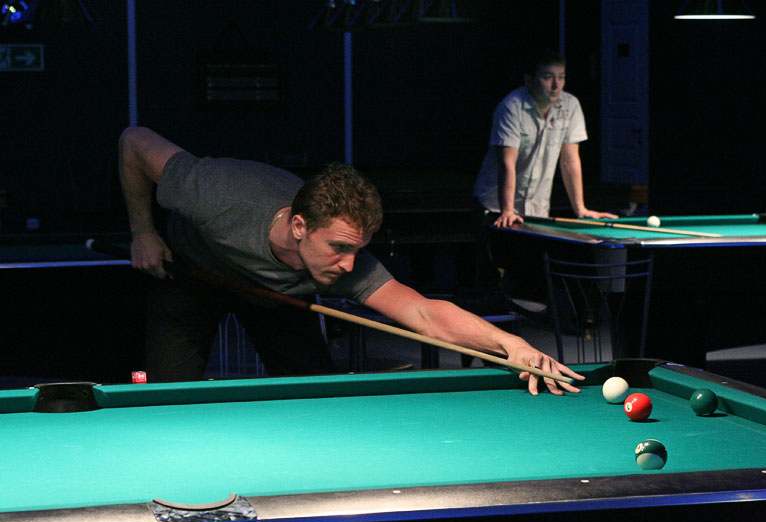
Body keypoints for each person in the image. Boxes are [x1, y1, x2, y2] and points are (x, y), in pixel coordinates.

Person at [119, 126, 584, 395]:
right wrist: (143, 232)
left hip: (279, 295)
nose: (347, 264)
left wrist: (510, 344)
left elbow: (424, 313)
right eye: (338, 248)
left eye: (356, 250)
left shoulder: (344, 260)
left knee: (315, 395)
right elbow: (134, 141)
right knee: (166, 395)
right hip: (190, 274)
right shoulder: (218, 194)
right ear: (299, 226)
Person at [474, 49, 618, 228]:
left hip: (536, 210)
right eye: (547, 77)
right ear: (529, 80)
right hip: (495, 207)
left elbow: (570, 161)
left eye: (561, 77)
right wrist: (507, 211)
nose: (556, 85)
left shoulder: (570, 105)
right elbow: (507, 162)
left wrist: (580, 209)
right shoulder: (511, 107)